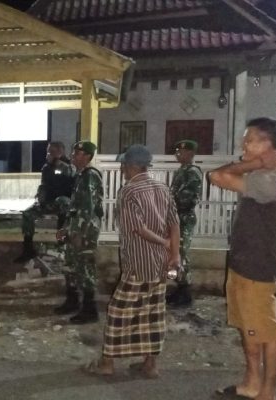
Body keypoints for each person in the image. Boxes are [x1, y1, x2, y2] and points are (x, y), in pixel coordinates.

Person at [83, 144, 179, 379]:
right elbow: (174, 224)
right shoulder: (163, 188)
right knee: (153, 312)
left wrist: (163, 242)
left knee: (119, 311)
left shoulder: (128, 191)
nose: (122, 168)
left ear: (133, 166)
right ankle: (150, 364)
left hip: (138, 262)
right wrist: (174, 254)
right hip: (160, 264)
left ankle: (107, 362)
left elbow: (137, 228)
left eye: (124, 164)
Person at [209, 118, 276, 400]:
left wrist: (253, 164)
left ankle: (267, 393)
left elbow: (216, 176)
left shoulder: (270, 180)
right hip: (243, 265)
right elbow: (218, 175)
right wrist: (254, 163)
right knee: (249, 329)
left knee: (267, 333)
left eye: (250, 140)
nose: (244, 144)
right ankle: (252, 383)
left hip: (257, 268)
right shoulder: (259, 174)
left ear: (268, 144)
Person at [55, 141, 103, 324]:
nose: (73, 156)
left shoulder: (90, 175)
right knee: (71, 264)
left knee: (85, 267)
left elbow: (88, 208)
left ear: (87, 156)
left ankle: (90, 309)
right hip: (76, 227)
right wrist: (66, 228)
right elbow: (75, 208)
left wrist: (80, 233)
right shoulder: (81, 175)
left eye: (77, 153)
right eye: (74, 152)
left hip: (86, 230)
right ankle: (72, 300)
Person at [14, 141, 75, 263]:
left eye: (51, 151)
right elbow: (44, 185)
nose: (48, 154)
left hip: (63, 203)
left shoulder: (69, 166)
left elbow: (72, 178)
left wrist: (60, 165)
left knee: (63, 203)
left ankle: (62, 245)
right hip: (48, 202)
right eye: (48, 151)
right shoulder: (46, 168)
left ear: (59, 152)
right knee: (28, 213)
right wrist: (40, 195)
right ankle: (28, 250)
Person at [166, 139, 202, 307]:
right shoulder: (182, 170)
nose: (178, 154)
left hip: (184, 218)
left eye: (181, 152)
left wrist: (172, 205)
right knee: (175, 253)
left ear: (191, 153)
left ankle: (185, 292)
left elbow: (187, 197)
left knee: (181, 254)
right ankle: (180, 288)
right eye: (177, 152)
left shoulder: (192, 172)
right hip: (176, 218)